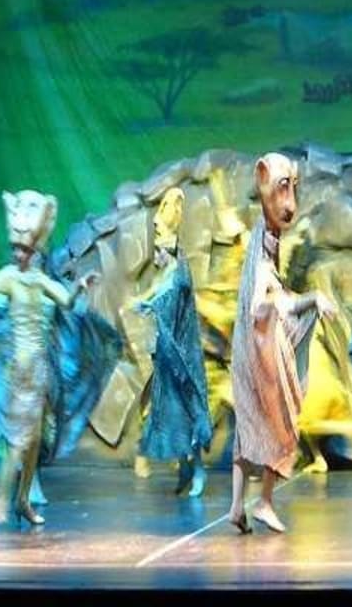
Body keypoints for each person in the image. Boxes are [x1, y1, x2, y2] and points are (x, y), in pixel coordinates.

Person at [0, 190, 95, 527]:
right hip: (19, 371)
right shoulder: (8, 277)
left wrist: (80, 286)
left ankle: (23, 499)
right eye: (16, 249)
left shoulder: (41, 281)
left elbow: (67, 302)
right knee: (19, 436)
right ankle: (3, 498)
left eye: (24, 250)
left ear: (35, 253)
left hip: (42, 371)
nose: (18, 254)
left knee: (34, 439)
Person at [228, 152, 336, 534]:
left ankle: (237, 505)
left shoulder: (268, 238)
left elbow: (272, 292)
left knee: (248, 426)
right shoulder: (262, 244)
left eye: (293, 188)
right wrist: (307, 301)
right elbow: (266, 298)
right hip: (261, 349)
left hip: (250, 344)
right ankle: (264, 501)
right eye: (283, 188)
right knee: (281, 421)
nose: (290, 201)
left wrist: (296, 300)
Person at [133, 187, 213, 497]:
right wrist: (146, 304)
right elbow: (157, 296)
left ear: (167, 251)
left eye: (159, 252)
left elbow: (171, 295)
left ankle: (199, 470)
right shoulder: (166, 275)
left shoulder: (179, 272)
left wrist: (151, 305)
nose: (156, 256)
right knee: (172, 415)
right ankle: (184, 471)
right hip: (167, 357)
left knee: (189, 413)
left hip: (183, 358)